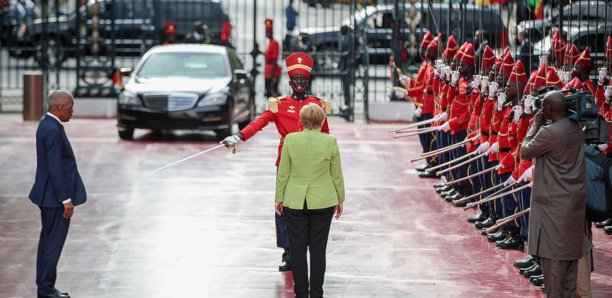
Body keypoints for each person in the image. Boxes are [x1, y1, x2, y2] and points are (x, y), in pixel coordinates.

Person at [220, 52, 331, 272]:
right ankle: (288, 251)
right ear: (290, 82)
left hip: (312, 164)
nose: (299, 83)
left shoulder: (317, 105)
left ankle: (306, 248)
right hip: (287, 162)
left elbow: (326, 137)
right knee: (284, 207)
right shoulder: (279, 105)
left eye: (302, 80)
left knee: (310, 206)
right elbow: (259, 122)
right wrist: (239, 136)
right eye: (295, 80)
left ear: (307, 81)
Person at [521, 90, 587, 298]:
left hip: (553, 212)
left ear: (548, 109)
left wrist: (535, 123)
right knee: (569, 277)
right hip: (572, 207)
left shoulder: (548, 133)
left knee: (554, 278)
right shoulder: (576, 128)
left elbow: (525, 150)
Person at [275, 103, 345, 298]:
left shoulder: (290, 140)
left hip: (295, 200)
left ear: (301, 120)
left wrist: (279, 198)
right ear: (321, 121)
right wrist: (340, 199)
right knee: (318, 249)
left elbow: (283, 173)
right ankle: (316, 293)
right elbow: (336, 174)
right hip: (323, 200)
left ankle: (300, 293)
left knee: (297, 250)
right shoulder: (330, 141)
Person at [29, 90, 87, 298]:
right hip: (54, 198)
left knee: (47, 241)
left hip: (47, 195)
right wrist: (66, 200)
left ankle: (44, 285)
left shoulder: (47, 124)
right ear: (61, 108)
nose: (72, 111)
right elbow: (56, 168)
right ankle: (46, 288)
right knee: (53, 243)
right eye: (70, 107)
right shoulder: (53, 130)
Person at [264, 18, 281, 98]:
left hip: (272, 72)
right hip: (268, 71)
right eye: (266, 31)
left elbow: (274, 60)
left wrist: (271, 75)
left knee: (272, 94)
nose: (267, 33)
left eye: (268, 31)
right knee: (268, 94)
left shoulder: (275, 43)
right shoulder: (270, 42)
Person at [338, 25, 352, 119]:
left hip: (347, 66)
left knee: (347, 86)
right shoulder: (344, 38)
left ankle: (348, 106)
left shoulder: (348, 39)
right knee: (345, 86)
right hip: (343, 66)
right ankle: (346, 105)